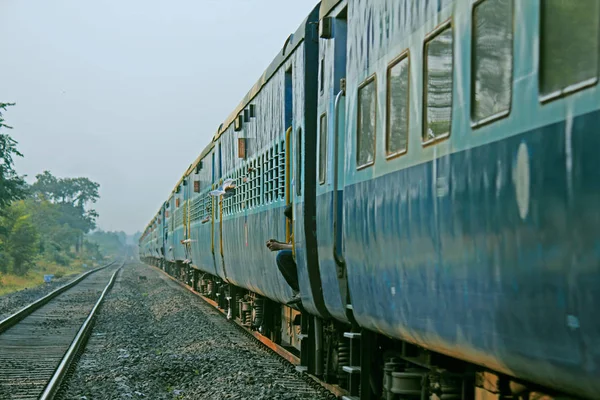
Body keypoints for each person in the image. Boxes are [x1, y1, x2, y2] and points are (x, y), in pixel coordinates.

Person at [266, 204, 301, 305]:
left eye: (290, 219)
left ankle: (299, 289)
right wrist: (279, 244)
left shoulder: (303, 228)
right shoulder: (296, 230)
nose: (289, 222)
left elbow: (300, 247)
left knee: (282, 256)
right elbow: (293, 246)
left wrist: (280, 246)